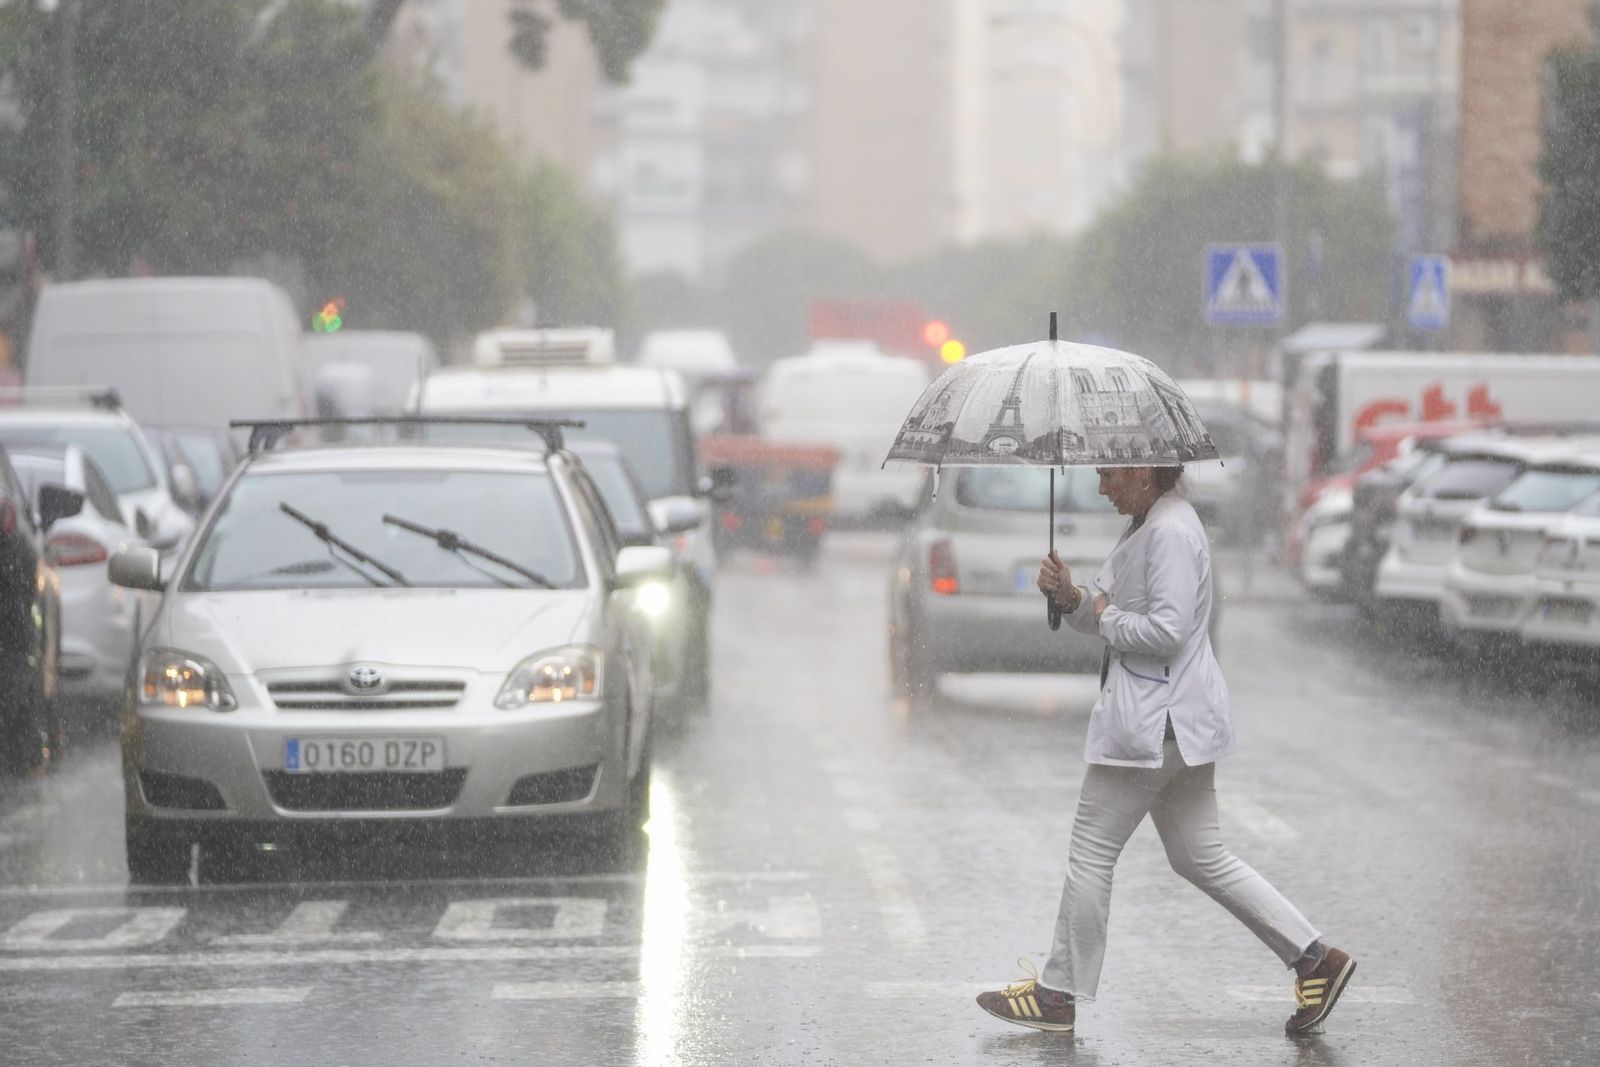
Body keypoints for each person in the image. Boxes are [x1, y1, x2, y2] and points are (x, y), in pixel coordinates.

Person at [975, 464, 1355, 1038]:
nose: (1102, 487)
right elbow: (1108, 616)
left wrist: (1103, 613)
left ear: (1144, 470)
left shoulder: (1171, 531)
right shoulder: (1148, 521)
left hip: (1156, 724)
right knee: (1201, 856)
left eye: (1109, 475)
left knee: (1092, 852)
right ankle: (1314, 959)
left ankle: (1057, 995)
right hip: (1173, 722)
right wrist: (1071, 595)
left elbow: (1167, 631)